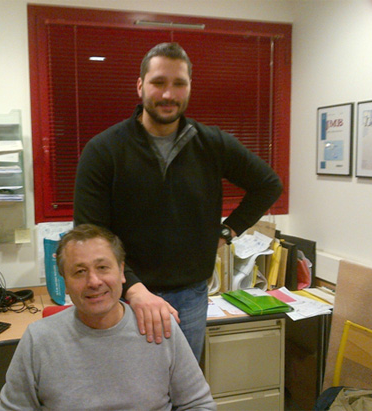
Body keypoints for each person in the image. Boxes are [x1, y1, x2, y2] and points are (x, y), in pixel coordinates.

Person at [74, 42, 283, 360]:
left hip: (190, 297)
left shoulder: (211, 144)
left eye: (179, 83)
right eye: (158, 82)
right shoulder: (104, 150)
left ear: (189, 88)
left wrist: (227, 232)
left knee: (182, 384)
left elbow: (268, 185)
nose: (168, 94)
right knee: (124, 383)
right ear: (140, 85)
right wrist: (134, 288)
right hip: (122, 297)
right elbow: (90, 234)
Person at [0, 224, 216, 411]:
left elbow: (198, 404)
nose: (94, 281)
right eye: (80, 272)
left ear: (122, 272)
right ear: (65, 282)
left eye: (102, 267)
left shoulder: (160, 326)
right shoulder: (39, 339)